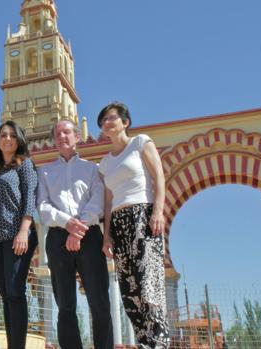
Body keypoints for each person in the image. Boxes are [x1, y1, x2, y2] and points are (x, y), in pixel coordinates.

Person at [37, 120, 114, 349]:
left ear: (77, 136)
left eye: (67, 132)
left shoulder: (92, 169)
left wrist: (78, 227)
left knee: (99, 301)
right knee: (65, 304)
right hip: (58, 237)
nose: (62, 136)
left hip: (88, 235)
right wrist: (67, 223)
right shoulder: (45, 171)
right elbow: (42, 207)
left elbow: (98, 201)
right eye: (58, 133)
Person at [98, 102, 169, 349]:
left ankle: (158, 343)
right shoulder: (105, 163)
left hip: (142, 215)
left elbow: (159, 175)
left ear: (125, 122)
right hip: (119, 222)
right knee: (129, 290)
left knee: (148, 282)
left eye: (112, 118)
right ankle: (143, 342)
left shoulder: (140, 143)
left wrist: (158, 210)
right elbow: (107, 202)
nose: (107, 122)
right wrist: (106, 236)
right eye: (104, 120)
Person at [0, 120, 38, 349]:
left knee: (15, 291)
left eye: (13, 135)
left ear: (19, 140)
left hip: (16, 237)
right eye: (3, 135)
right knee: (5, 294)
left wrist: (24, 230)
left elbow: (30, 198)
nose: (8, 139)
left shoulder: (25, 165)